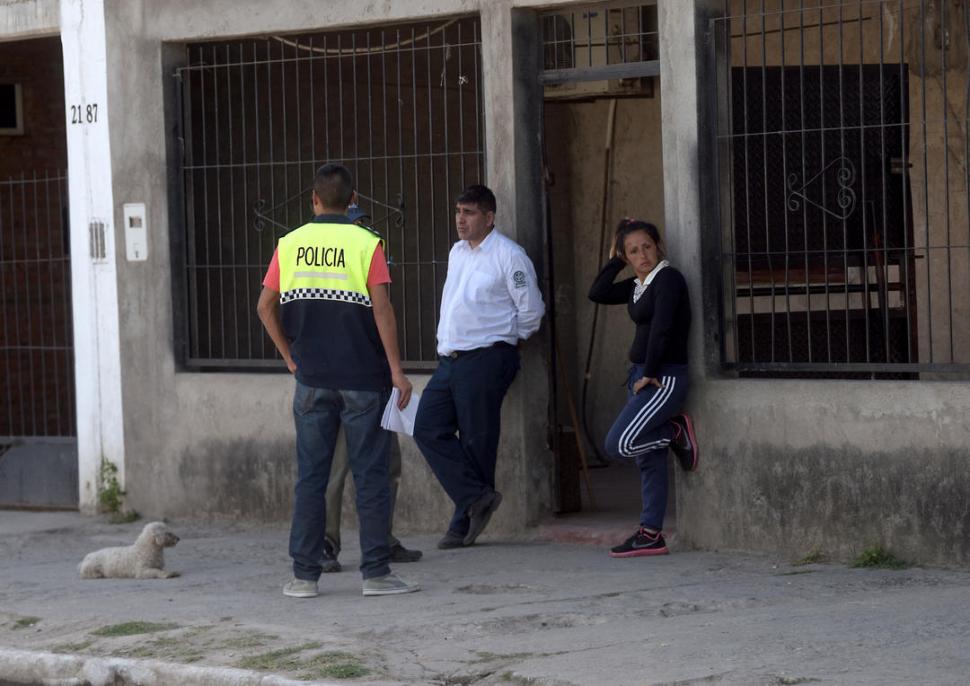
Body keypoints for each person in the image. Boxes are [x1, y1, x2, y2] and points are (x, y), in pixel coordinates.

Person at [256, 163, 419, 597]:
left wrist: (290, 357)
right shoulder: (366, 243)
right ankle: (377, 575)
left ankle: (304, 577)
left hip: (311, 380)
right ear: (352, 201)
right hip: (364, 379)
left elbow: (264, 306)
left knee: (311, 477)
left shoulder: (289, 245)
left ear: (313, 199)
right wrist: (397, 371)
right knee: (371, 475)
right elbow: (382, 310)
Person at [413, 184, 545, 549]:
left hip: (486, 359)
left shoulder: (508, 255)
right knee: (426, 427)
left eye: (469, 212)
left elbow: (531, 311)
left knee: (476, 441)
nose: (460, 219)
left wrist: (502, 340)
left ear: (489, 217)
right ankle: (478, 498)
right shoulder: (458, 252)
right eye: (458, 211)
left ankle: (461, 523)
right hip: (451, 359)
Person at [319, 203, 422, 573]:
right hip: (349, 377)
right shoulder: (340, 255)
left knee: (385, 465)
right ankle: (327, 543)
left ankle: (382, 539)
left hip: (368, 377)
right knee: (337, 468)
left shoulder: (365, 252)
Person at [587, 219, 699, 558]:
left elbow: (663, 328)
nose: (642, 255)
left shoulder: (668, 279)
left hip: (662, 377)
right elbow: (598, 292)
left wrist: (650, 373)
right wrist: (617, 258)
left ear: (658, 246)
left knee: (619, 444)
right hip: (640, 375)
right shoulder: (639, 284)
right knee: (647, 459)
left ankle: (674, 430)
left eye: (646, 247)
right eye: (634, 251)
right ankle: (651, 533)